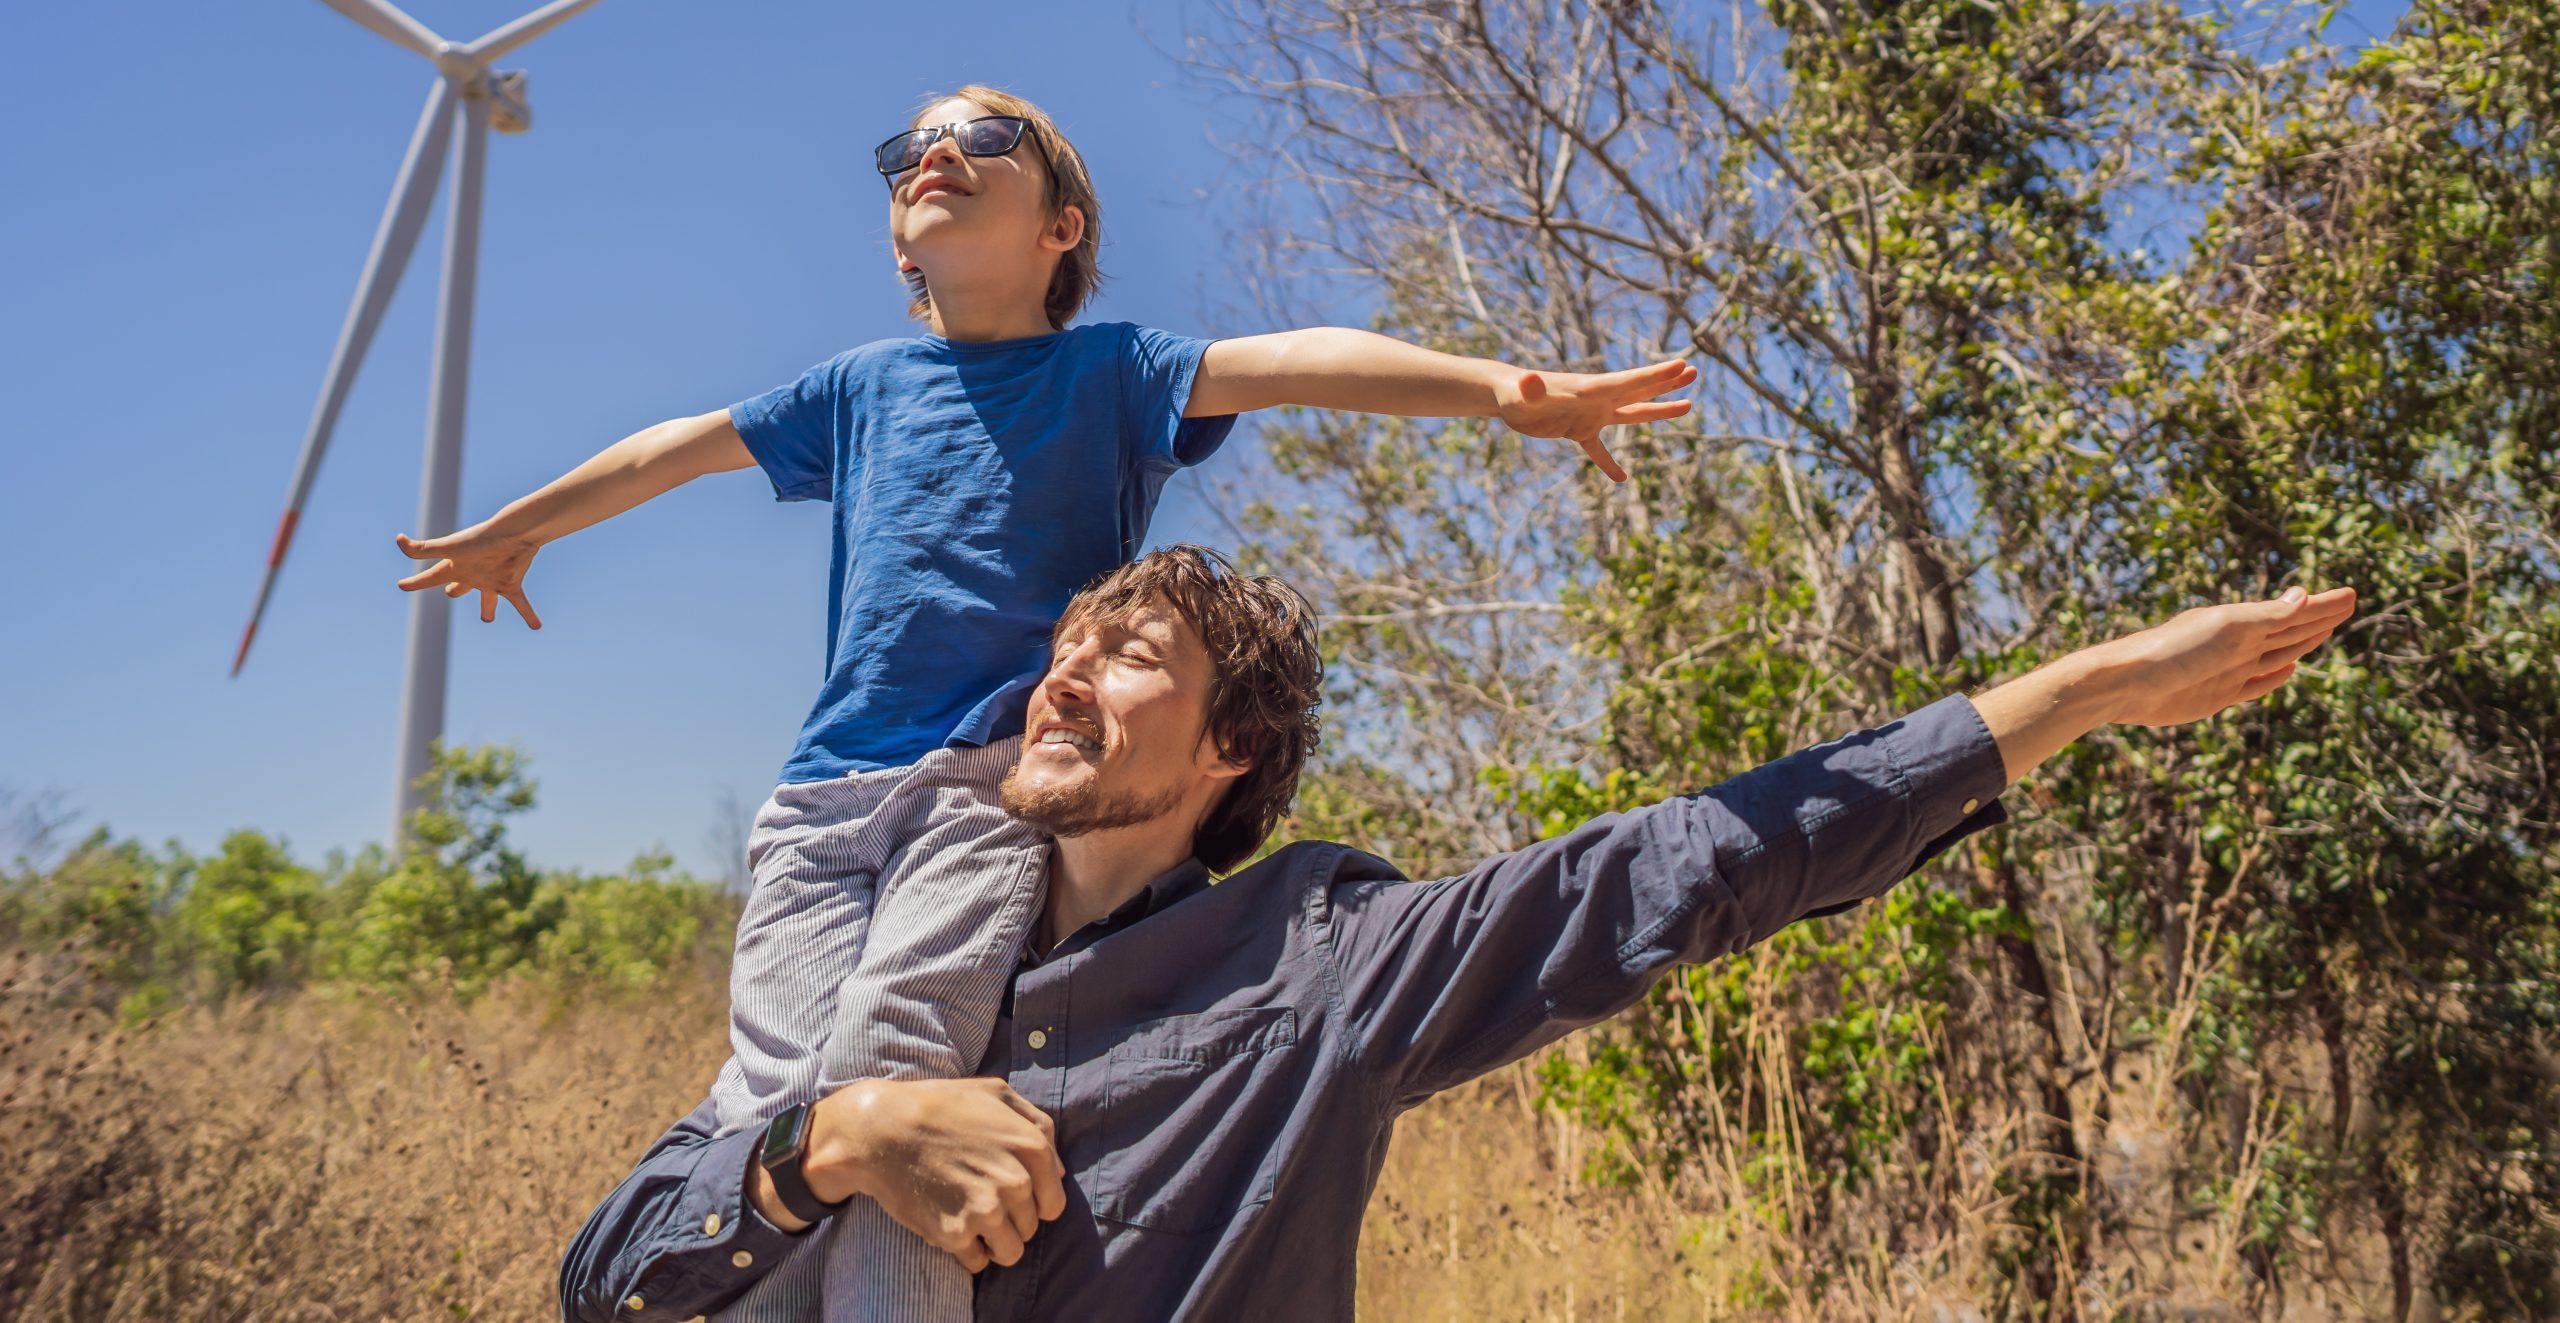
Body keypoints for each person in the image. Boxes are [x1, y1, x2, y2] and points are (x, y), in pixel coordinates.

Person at [391, 86, 1698, 1323]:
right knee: (781, 1102)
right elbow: (672, 444)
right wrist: (521, 528)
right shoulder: (855, 388)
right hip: (820, 798)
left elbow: (1301, 359)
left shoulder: (1112, 373)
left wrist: (1496, 390)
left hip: (981, 784)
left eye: (985, 135)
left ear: (1060, 228)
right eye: (911, 149)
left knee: (892, 1069)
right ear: (900, 232)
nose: (936, 152)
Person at [558, 544, 2359, 1323]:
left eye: (1129, 658)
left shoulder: (1319, 964)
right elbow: (609, 1274)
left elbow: (1676, 868)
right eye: (1068, 645)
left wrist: (2081, 694)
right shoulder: (903, 952)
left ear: (1231, 748)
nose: (1065, 677)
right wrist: (843, 1136)